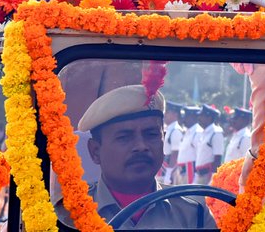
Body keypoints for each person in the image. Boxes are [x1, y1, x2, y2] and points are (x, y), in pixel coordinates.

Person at [56, 85, 214, 229]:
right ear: (95, 151)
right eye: (124, 137)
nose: (141, 146)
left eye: (151, 134)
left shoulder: (193, 212)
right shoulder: (66, 215)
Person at [193, 106, 225, 185]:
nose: (199, 118)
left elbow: (218, 157)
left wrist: (213, 178)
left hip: (208, 175)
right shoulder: (204, 133)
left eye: (201, 116)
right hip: (199, 174)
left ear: (209, 117)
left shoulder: (216, 133)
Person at [161, 102, 185, 184]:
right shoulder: (168, 128)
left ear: (175, 114)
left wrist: (169, 172)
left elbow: (175, 152)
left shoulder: (176, 130)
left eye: (167, 112)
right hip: (163, 166)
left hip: (169, 167)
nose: (165, 114)